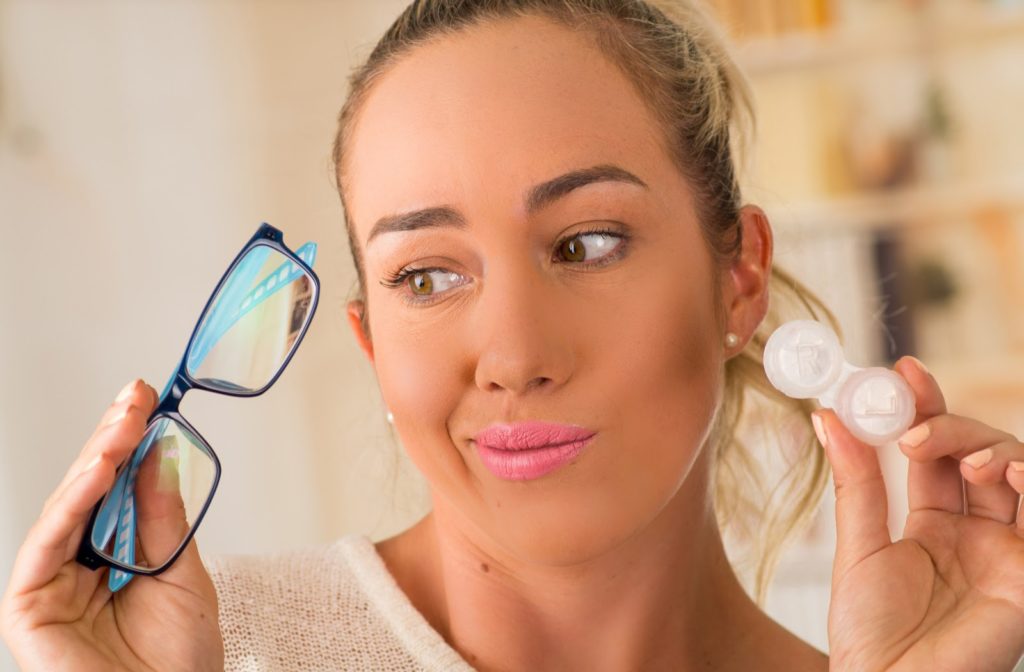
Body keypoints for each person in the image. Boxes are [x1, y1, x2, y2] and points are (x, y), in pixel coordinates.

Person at [3, 1, 1024, 670]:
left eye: (585, 244)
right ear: (371, 344)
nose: (512, 355)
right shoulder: (213, 654)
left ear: (738, 277)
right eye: (427, 276)